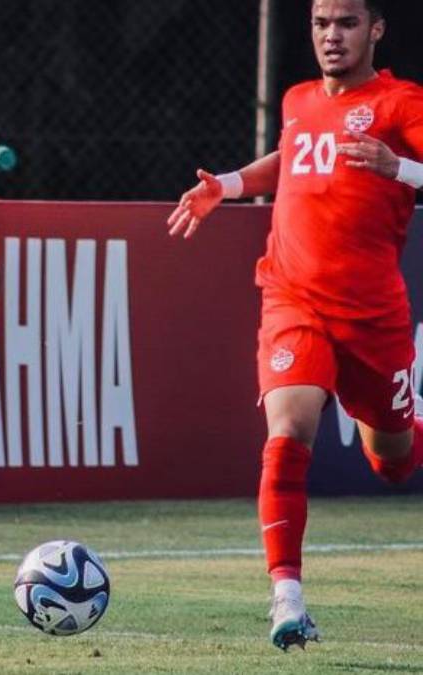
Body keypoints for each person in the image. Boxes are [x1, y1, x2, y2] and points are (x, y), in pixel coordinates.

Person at [166, 0, 423, 651]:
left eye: (346, 23)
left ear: (376, 29)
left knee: (393, 459)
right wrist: (224, 185)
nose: (331, 36)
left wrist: (403, 170)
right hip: (293, 299)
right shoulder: (299, 98)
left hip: (374, 317)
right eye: (320, 23)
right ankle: (287, 597)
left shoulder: (400, 103)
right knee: (288, 432)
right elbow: (290, 158)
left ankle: (403, 427)